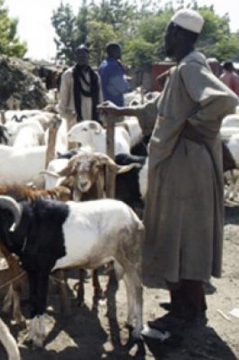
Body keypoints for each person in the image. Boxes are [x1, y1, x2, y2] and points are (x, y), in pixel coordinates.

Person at [98, 9, 239, 337]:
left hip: (187, 168)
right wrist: (123, 111)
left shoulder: (191, 67)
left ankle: (185, 312)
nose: (164, 38)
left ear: (179, 33)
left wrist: (192, 128)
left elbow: (225, 101)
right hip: (180, 167)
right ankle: (188, 305)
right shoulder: (182, 71)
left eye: (168, 32)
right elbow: (162, 108)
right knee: (180, 234)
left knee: (183, 235)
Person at [57, 44, 104, 127]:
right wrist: (68, 116)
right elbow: (63, 99)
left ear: (88, 57)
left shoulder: (95, 76)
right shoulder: (68, 75)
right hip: (74, 119)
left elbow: (100, 99)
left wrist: (101, 117)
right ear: (75, 57)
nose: (81, 58)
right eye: (79, 55)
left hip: (92, 119)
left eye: (84, 55)